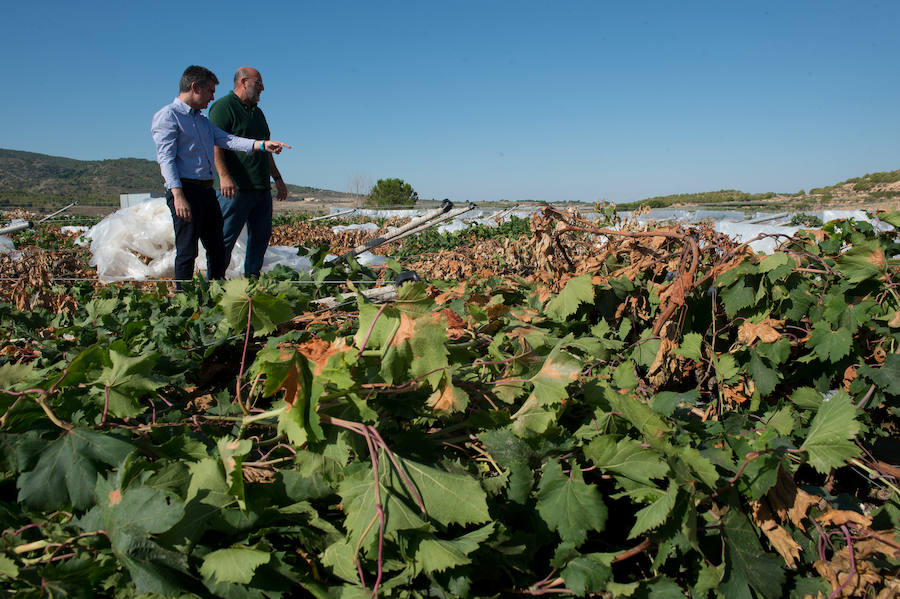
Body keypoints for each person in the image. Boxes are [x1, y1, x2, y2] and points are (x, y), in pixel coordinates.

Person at [150, 65, 290, 288]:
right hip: (186, 190)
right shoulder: (169, 116)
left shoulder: (201, 121)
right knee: (187, 249)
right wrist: (177, 195)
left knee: (216, 247)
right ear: (195, 87)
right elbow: (166, 159)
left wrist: (262, 145)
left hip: (206, 191)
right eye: (209, 91)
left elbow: (229, 140)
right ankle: (183, 298)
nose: (213, 96)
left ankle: (215, 291)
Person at [209, 67, 287, 278]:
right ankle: (215, 284)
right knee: (225, 238)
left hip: (260, 188)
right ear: (244, 82)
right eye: (258, 83)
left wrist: (277, 178)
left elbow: (264, 149)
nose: (262, 88)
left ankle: (251, 280)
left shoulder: (258, 113)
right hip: (235, 189)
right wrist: (224, 176)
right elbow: (215, 144)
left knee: (260, 238)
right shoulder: (223, 107)